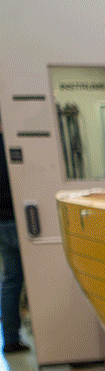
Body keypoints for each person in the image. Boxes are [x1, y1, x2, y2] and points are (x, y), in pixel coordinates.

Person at [0, 131, 24, 355]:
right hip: (17, 219)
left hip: (2, 221)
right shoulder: (10, 145)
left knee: (10, 281)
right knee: (39, 278)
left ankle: (10, 339)